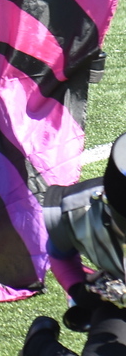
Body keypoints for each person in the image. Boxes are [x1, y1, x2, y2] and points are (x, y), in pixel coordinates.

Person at [20, 132, 126, 356]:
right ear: (105, 200)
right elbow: (60, 256)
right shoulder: (76, 211)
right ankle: (40, 347)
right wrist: (79, 290)